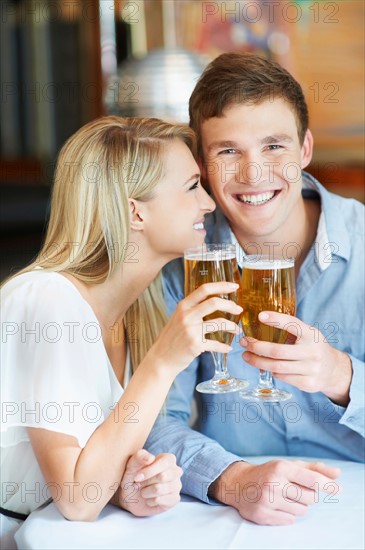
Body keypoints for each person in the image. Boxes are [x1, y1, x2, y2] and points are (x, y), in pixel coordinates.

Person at [0, 116, 243, 544]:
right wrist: (163, 362)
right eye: (192, 188)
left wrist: (129, 487)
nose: (209, 204)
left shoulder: (137, 312)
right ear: (135, 212)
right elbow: (77, 499)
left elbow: (88, 475)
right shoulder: (47, 302)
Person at [145, 53, 365, 526]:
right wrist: (233, 479)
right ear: (202, 163)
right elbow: (151, 419)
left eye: (273, 146)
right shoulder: (180, 265)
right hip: (229, 515)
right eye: (228, 151)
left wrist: (344, 378)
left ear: (305, 149)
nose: (253, 173)